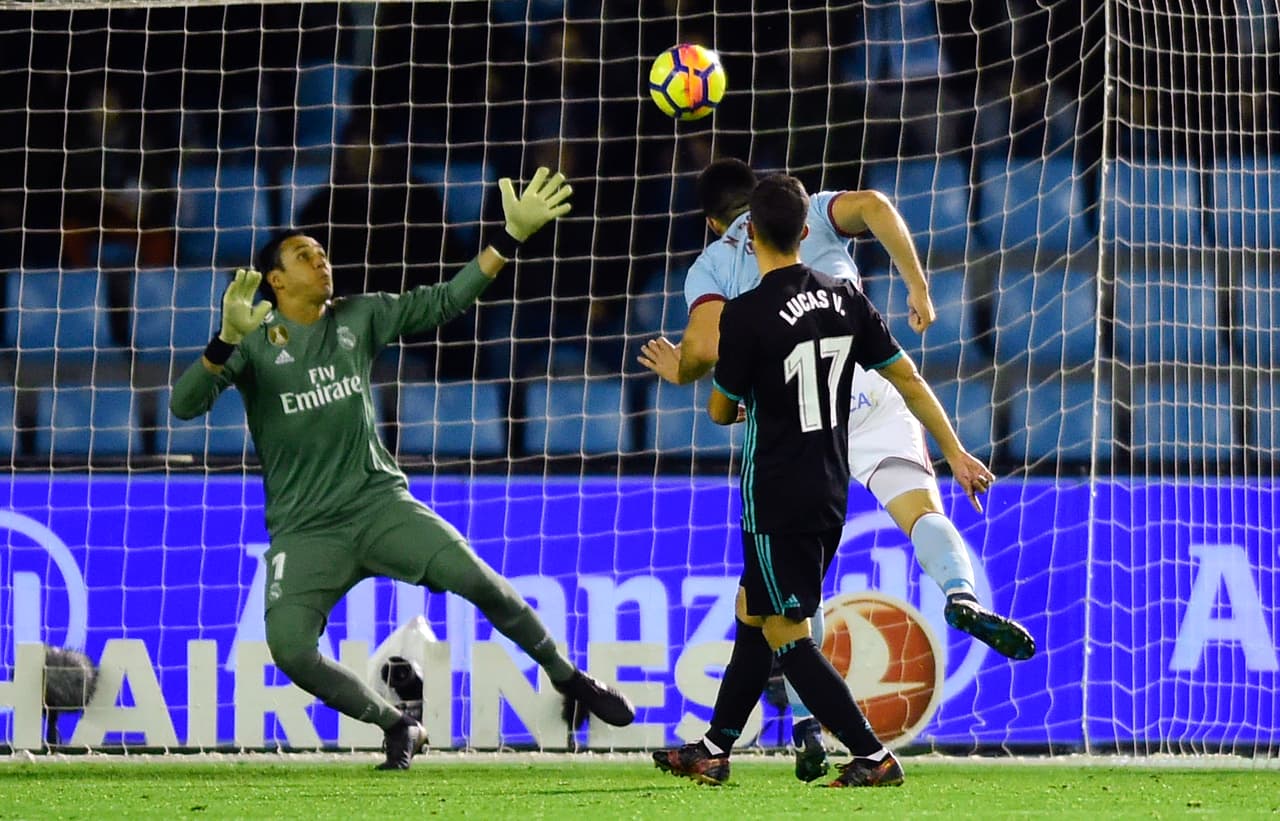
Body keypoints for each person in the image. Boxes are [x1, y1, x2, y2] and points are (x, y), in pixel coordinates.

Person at [170, 167, 635, 770]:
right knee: (288, 649)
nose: (322, 260)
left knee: (482, 583)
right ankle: (396, 724)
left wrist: (510, 238)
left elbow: (446, 300)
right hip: (307, 529)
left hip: (380, 504)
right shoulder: (254, 342)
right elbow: (184, 406)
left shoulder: (359, 317)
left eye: (322, 252)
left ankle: (568, 677)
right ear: (276, 280)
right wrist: (223, 341)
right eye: (306, 255)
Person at [638, 158, 1034, 781]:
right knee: (772, 598)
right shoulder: (843, 286)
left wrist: (684, 370)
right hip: (859, 409)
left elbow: (711, 367)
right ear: (803, 228)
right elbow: (876, 207)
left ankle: (852, 745)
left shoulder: (720, 275)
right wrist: (954, 446)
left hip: (788, 456)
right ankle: (715, 749)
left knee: (785, 624)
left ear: (717, 223)